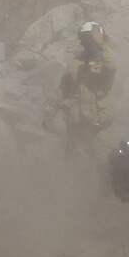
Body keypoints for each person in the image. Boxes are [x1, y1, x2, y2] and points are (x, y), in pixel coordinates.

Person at [45, 21, 117, 160]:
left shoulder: (105, 58)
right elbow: (64, 86)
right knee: (74, 160)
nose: (85, 42)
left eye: (88, 38)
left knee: (100, 161)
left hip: (98, 122)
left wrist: (98, 50)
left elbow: (108, 70)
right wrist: (51, 112)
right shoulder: (78, 60)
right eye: (83, 38)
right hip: (76, 120)